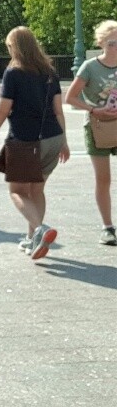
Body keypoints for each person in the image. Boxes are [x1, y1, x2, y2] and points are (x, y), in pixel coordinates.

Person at [0, 27, 69, 260]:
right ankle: (32, 240)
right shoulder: (49, 71)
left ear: (14, 47)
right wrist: (64, 141)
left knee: (17, 191)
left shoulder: (13, 72)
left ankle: (40, 229)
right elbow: (58, 110)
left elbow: (3, 110)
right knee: (37, 190)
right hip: (53, 138)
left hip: (25, 140)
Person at [64, 19, 117, 246]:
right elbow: (70, 97)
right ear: (101, 43)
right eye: (112, 43)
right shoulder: (90, 67)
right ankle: (107, 227)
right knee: (103, 179)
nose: (116, 47)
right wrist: (94, 109)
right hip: (98, 127)